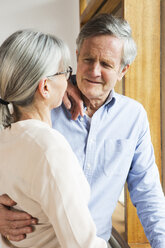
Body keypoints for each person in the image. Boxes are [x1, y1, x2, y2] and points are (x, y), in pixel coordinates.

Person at [0, 13, 165, 248]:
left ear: (123, 71)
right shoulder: (42, 105)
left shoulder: (133, 117)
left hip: (97, 240)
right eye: (88, 59)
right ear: (77, 56)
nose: (94, 71)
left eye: (106, 64)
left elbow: (147, 193)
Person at [0, 29, 107, 248]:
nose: (69, 80)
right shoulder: (48, 148)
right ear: (45, 87)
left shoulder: (7, 137)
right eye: (64, 72)